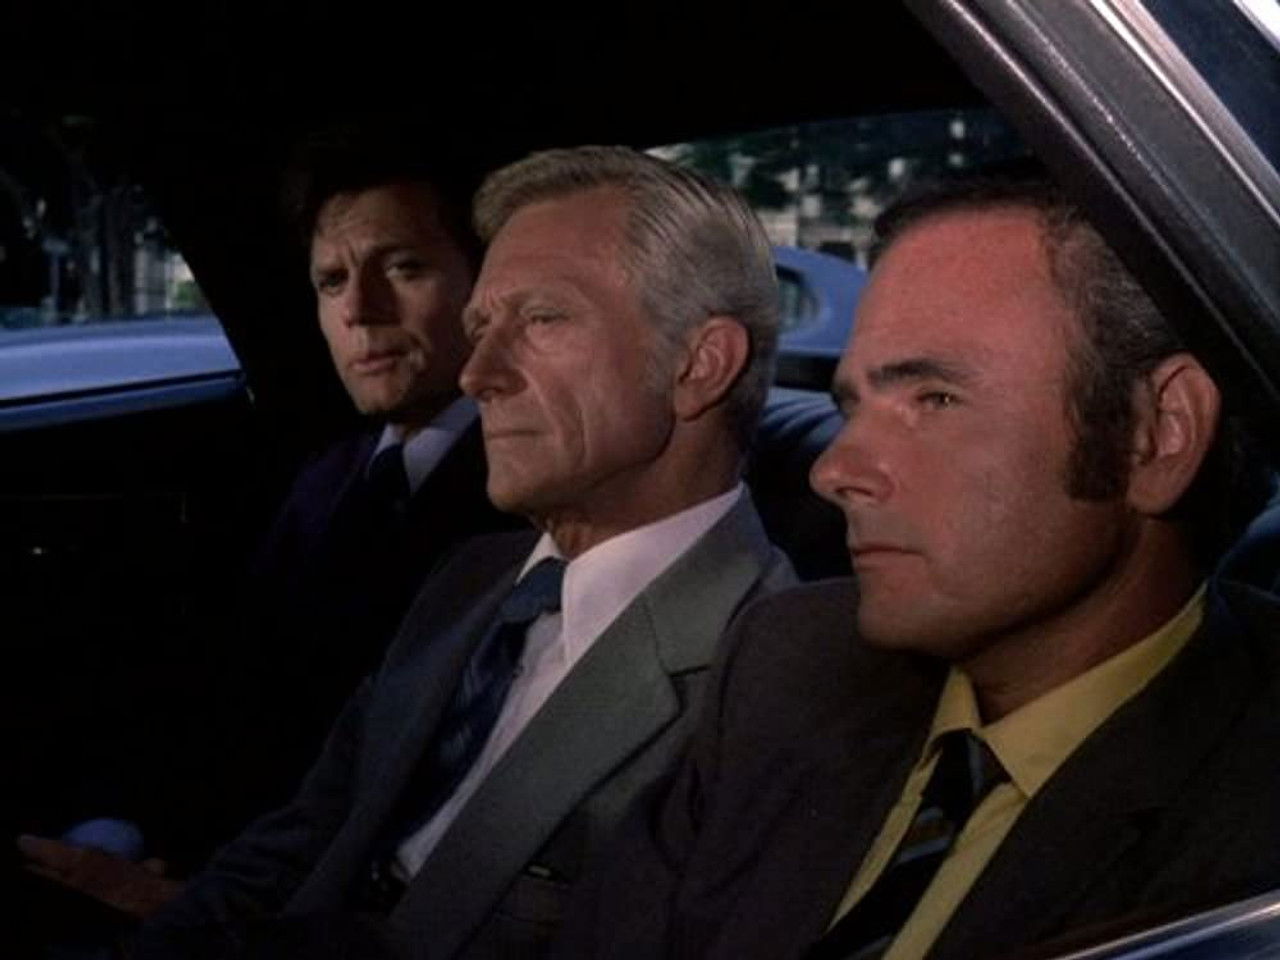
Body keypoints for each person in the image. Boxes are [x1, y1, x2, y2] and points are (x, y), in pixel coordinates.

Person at [555, 176, 1280, 960]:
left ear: (1158, 431)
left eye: (935, 400)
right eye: (851, 408)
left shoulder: (1250, 808)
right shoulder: (789, 662)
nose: (834, 471)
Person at [127, 145, 794, 959]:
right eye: (481, 328)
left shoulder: (773, 680)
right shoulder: (473, 576)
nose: (478, 375)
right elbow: (311, 832)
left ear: (700, 364)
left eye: (542, 320)